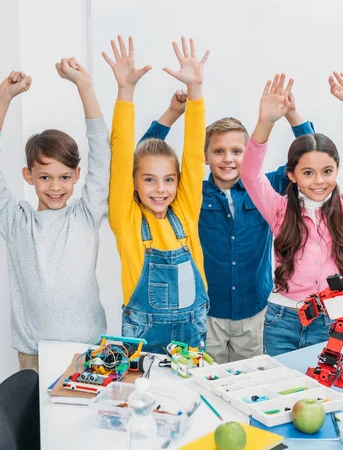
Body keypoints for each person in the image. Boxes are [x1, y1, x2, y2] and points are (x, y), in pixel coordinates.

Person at [140, 93, 314, 363]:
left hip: (255, 312)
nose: (228, 159)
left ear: (250, 155)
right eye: (218, 151)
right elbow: (144, 163)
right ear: (205, 156)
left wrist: (292, 114)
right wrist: (172, 114)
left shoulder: (267, 188)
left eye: (237, 151)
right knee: (207, 384)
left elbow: (311, 157)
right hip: (207, 315)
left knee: (250, 385)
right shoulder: (191, 193)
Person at [241, 72, 343, 356]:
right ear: (292, 175)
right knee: (286, 398)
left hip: (337, 320)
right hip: (282, 320)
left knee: (333, 394)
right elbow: (250, 174)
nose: (319, 181)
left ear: (336, 171)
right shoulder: (279, 209)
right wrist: (265, 122)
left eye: (327, 171)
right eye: (308, 173)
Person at [0, 61, 110, 372]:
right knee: (34, 422)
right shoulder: (15, 220)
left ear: (77, 176)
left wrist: (84, 87)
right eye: (45, 177)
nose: (55, 186)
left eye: (64, 177)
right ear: (28, 175)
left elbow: (101, 152)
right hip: (34, 354)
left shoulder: (86, 215)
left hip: (88, 348)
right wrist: (4, 97)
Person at [104, 35, 209, 353]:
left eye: (168, 180)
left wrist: (196, 91)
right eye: (149, 180)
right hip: (143, 336)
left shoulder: (186, 212)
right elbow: (121, 155)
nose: (160, 189)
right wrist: (125, 92)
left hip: (192, 334)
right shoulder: (126, 220)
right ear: (133, 183)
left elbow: (193, 151)